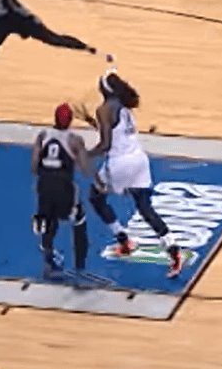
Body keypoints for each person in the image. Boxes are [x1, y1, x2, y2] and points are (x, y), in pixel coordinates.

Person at [79, 71, 184, 278]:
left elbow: (107, 144)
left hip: (120, 163)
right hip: (139, 160)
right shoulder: (125, 106)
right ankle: (173, 251)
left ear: (103, 90)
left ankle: (124, 240)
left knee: (96, 198)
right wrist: (93, 122)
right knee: (145, 208)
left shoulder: (103, 109)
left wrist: (87, 154)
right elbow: (115, 132)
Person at [32, 103, 95, 279]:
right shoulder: (75, 140)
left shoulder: (42, 136)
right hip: (64, 187)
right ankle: (80, 265)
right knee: (79, 219)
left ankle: (48, 261)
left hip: (44, 186)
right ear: (70, 121)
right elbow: (85, 169)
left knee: (49, 220)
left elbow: (33, 167)